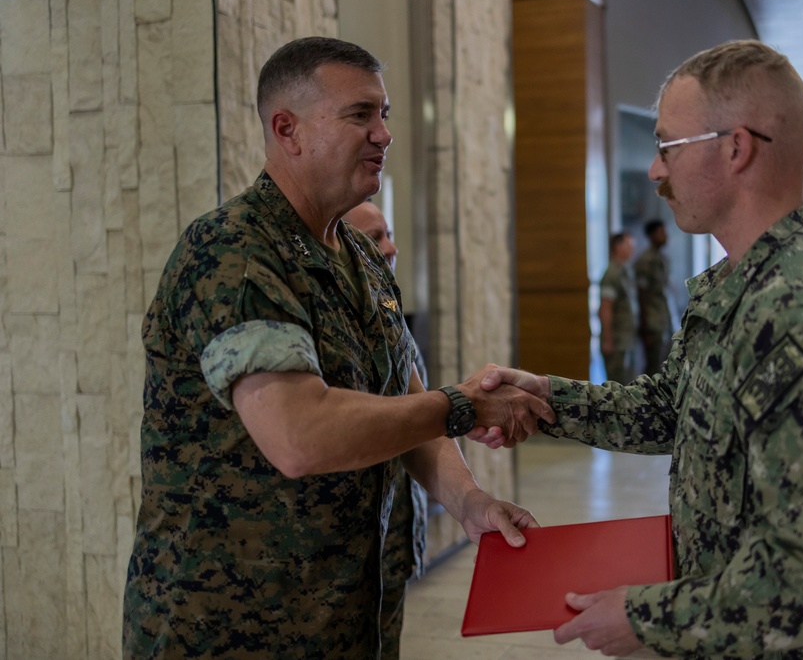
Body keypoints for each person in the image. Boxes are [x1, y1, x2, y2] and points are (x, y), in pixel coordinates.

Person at [473, 39, 803, 658]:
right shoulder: (742, 285)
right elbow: (675, 409)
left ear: (735, 148)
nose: (656, 170)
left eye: (666, 147)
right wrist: (551, 399)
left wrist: (643, 616)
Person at [122, 36, 553, 660]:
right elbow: (300, 437)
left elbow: (406, 398)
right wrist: (462, 405)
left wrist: (470, 502)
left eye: (385, 115)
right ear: (287, 130)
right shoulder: (235, 252)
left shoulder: (357, 255)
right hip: (231, 627)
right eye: (360, 115)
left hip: (348, 614)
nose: (383, 134)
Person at [342, 199, 427, 658]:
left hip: (393, 540)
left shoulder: (389, 311)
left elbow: (415, 417)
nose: (390, 247)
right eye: (374, 237)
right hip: (353, 553)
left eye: (388, 233)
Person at [634, 218, 675, 375]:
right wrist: (645, 327)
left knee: (666, 366)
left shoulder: (662, 258)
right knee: (653, 368)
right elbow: (641, 294)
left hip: (665, 319)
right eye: (661, 232)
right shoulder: (645, 261)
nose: (666, 236)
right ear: (651, 235)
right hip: (653, 322)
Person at [598, 232, 637, 382]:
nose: (632, 249)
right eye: (629, 245)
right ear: (618, 247)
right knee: (617, 384)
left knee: (628, 382)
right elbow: (606, 308)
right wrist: (608, 339)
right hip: (617, 340)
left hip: (627, 339)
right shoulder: (612, 273)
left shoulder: (625, 271)